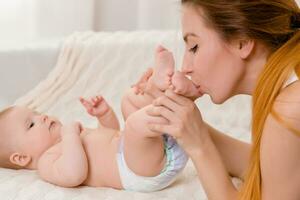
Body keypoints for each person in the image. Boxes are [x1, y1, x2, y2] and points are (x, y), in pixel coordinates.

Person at [143, 0, 300, 199]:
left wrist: (199, 147)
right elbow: (272, 169)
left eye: (194, 47)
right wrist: (183, 122)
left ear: (241, 42)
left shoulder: (290, 106)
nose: (185, 67)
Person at [0, 46, 201, 192]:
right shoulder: (47, 161)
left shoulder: (70, 139)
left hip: (145, 150)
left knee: (129, 100)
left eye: (37, 112)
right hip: (139, 172)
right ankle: (166, 96)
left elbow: (111, 133)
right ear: (21, 157)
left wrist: (104, 116)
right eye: (32, 124)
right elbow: (74, 174)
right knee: (134, 126)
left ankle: (165, 88)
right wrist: (70, 136)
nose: (42, 117)